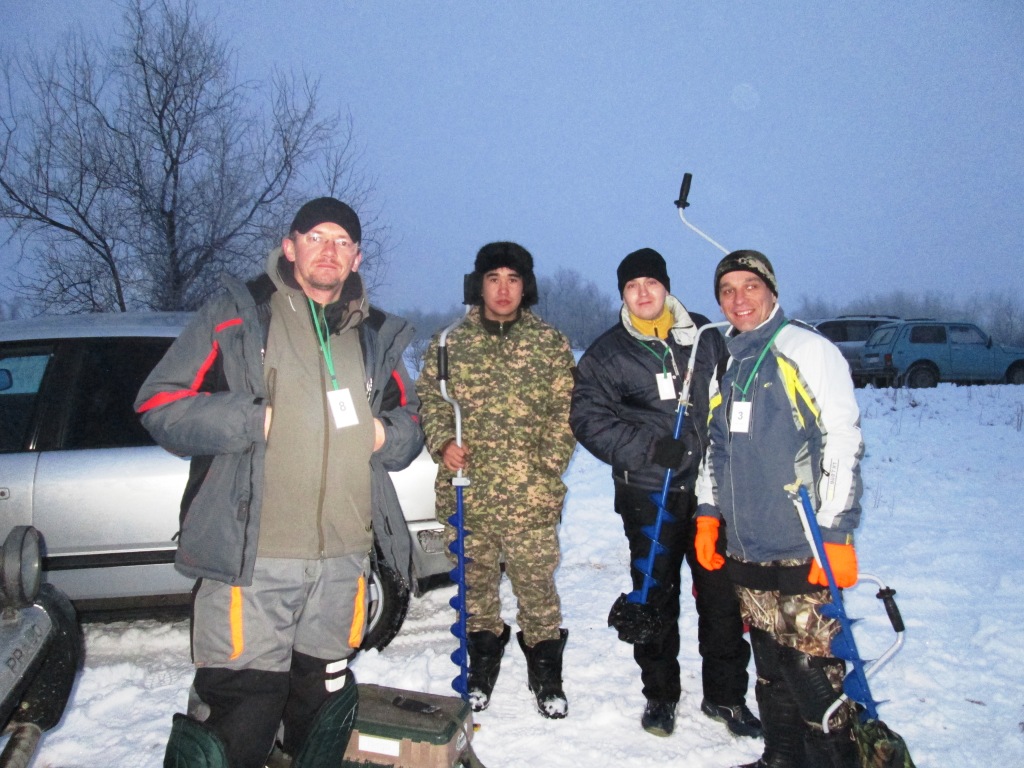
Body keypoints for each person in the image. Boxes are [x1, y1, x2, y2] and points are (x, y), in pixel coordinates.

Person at [135, 198, 423, 768]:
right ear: (289, 247)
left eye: (342, 242)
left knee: (320, 716)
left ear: (357, 257)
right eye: (316, 237)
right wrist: (250, 419)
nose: (329, 251)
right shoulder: (237, 316)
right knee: (239, 718)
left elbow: (411, 422)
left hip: (342, 563)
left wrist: (383, 435)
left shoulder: (373, 334)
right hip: (253, 562)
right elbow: (159, 404)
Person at [569, 248, 760, 739]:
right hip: (649, 494)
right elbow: (587, 418)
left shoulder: (706, 337)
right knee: (654, 596)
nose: (643, 293)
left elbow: (736, 392)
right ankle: (660, 695)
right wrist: (650, 449)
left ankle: (726, 696)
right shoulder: (608, 353)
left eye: (651, 283)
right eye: (632, 286)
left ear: (666, 287)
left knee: (721, 600)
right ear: (623, 294)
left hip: (711, 492)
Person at [694, 250, 863, 768]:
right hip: (747, 546)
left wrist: (836, 531)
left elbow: (842, 440)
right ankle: (781, 758)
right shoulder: (730, 360)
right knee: (769, 665)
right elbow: (716, 446)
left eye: (750, 286)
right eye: (727, 290)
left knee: (811, 671)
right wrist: (708, 512)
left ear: (771, 291)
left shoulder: (806, 350)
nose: (738, 299)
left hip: (802, 546)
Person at [416, 242, 576, 719]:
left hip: (531, 495)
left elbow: (567, 410)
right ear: (478, 285)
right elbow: (431, 399)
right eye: (493, 279)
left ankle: (546, 673)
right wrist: (443, 442)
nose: (503, 290)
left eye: (513, 279)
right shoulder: (448, 343)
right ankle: (481, 664)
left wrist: (546, 467)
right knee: (475, 587)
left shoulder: (550, 343)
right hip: (468, 491)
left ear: (526, 287)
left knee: (537, 586)